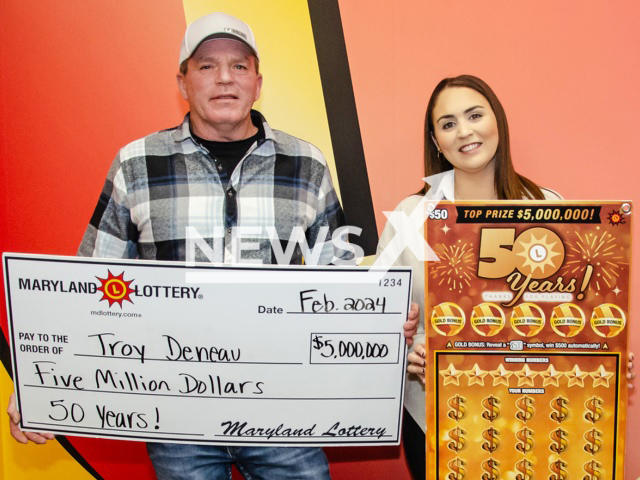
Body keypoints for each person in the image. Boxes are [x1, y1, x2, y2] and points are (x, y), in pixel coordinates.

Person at [6, 11, 347, 480]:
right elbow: (89, 288)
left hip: (281, 409)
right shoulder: (136, 164)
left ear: (258, 81)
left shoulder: (306, 163)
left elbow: (343, 283)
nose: (225, 78)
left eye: (239, 66)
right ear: (183, 83)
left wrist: (385, 324)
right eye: (206, 66)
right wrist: (38, 382)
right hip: (177, 415)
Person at [376, 74, 563, 480]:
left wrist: (605, 353)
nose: (464, 131)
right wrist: (406, 352)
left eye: (474, 115)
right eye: (448, 123)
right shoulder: (410, 216)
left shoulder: (549, 206)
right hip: (436, 413)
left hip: (534, 408)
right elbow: (376, 317)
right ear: (435, 140)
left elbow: (573, 312)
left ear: (497, 120)